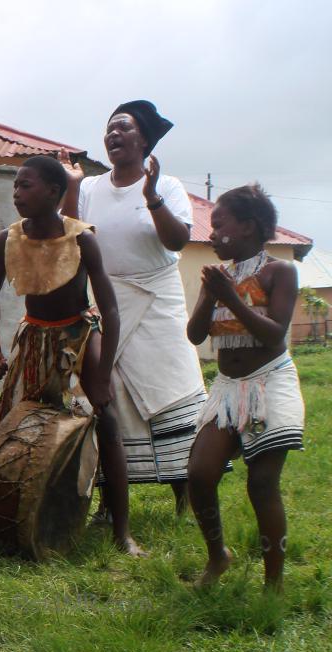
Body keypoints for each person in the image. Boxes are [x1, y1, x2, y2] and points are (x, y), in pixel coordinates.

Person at [0, 156, 142, 555]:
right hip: (34, 339)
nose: (17, 193)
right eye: (15, 185)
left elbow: (111, 309)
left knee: (108, 420)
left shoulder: (82, 238)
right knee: (7, 423)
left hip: (79, 334)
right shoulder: (7, 239)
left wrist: (100, 376)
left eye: (26, 185)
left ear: (54, 191)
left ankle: (122, 532)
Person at [61, 100, 203, 519]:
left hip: (159, 302)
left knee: (170, 392)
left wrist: (152, 196)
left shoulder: (170, 185)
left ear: (144, 139)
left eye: (123, 127)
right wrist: (71, 187)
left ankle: (185, 492)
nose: (113, 134)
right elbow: (70, 241)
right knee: (110, 398)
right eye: (109, 129)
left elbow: (177, 242)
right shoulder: (89, 188)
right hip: (107, 302)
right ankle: (109, 498)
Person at [185, 185, 302, 591]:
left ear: (249, 226)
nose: (212, 233)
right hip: (228, 387)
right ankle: (218, 557)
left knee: (262, 483)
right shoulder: (219, 277)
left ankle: (274, 582)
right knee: (199, 474)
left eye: (219, 225)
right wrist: (210, 294)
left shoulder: (279, 272)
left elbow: (274, 336)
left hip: (270, 382)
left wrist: (229, 298)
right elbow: (195, 334)